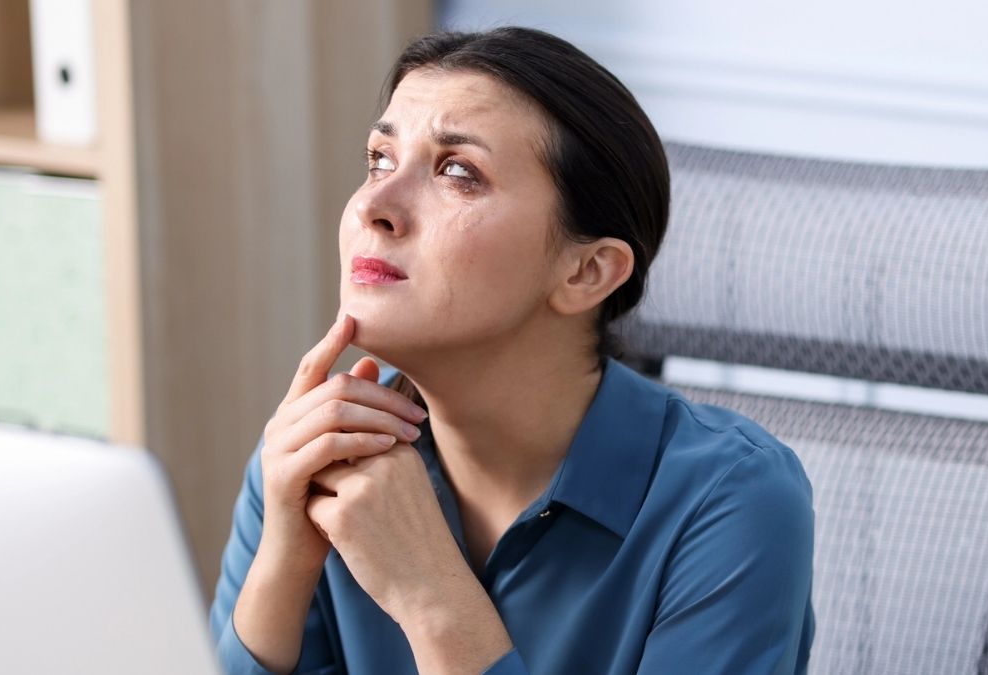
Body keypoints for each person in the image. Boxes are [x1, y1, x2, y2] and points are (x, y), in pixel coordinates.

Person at [209, 26, 815, 675]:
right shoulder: (318, 448)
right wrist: (285, 559)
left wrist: (431, 596)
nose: (373, 206)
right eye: (379, 159)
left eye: (459, 173)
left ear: (586, 272)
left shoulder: (735, 500)